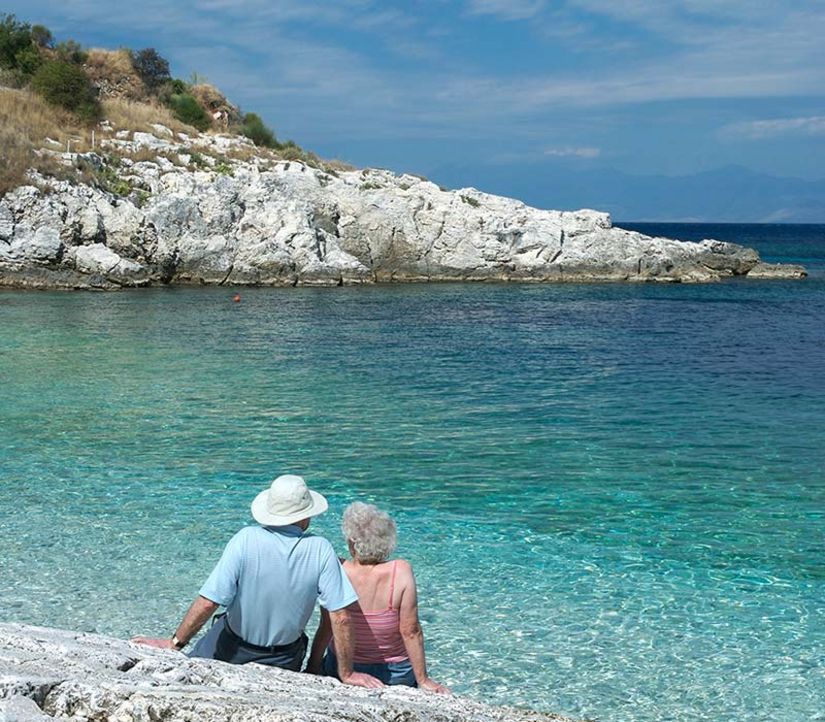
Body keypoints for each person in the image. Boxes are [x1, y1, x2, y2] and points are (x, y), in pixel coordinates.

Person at [132, 475, 382, 688]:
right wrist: (346, 673)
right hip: (284, 658)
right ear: (305, 516)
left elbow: (210, 602)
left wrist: (174, 643)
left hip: (231, 648)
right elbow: (340, 616)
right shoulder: (321, 549)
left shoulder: (245, 539)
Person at [306, 501, 450, 693]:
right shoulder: (401, 571)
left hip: (342, 666)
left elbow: (327, 627)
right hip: (396, 672)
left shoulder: (337, 569)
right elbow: (411, 631)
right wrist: (423, 679)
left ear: (352, 542)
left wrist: (313, 667)